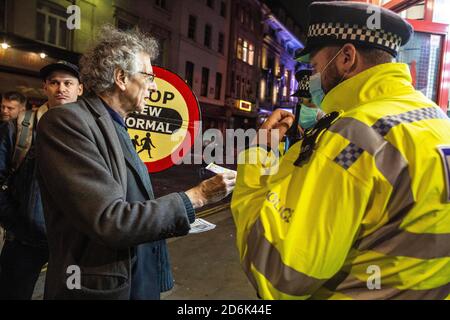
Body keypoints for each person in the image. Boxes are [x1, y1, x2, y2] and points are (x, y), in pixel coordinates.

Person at [231, 1, 450, 300]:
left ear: (346, 58)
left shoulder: (353, 137)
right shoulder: (436, 119)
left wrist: (259, 158)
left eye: (317, 66)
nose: (314, 77)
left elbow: (280, 275)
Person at [35, 25, 236, 300]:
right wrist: (197, 197)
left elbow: (135, 202)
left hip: (136, 282)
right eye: (149, 77)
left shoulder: (115, 125)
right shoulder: (67, 122)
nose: (153, 86)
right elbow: (110, 220)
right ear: (120, 77)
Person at [0, 61, 83, 299]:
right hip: (24, 243)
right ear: (45, 86)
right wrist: (17, 222)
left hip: (71, 243)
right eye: (55, 82)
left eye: (68, 83)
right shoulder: (18, 129)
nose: (61, 89)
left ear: (80, 89)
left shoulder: (90, 130)